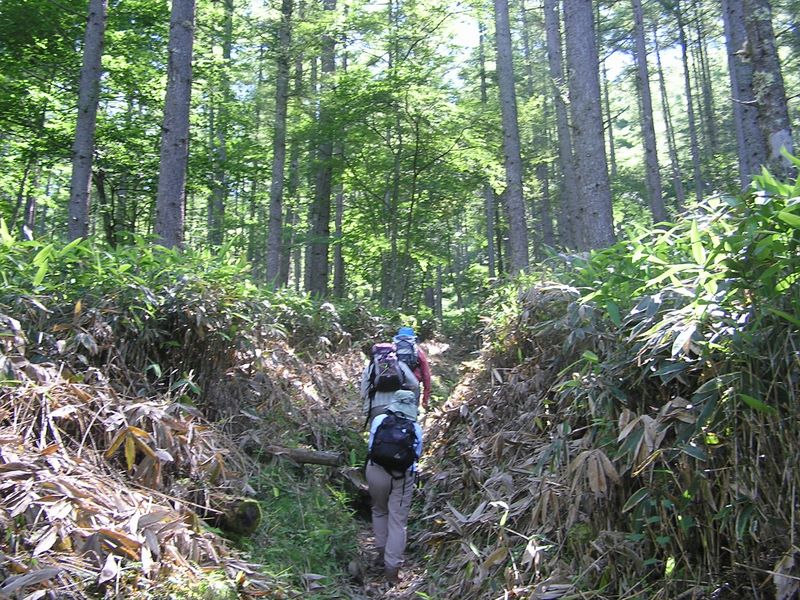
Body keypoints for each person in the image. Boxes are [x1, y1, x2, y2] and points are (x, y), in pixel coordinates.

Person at [366, 389, 424, 584]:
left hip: (376, 471)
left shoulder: (379, 420)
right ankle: (392, 570)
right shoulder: (415, 427)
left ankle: (381, 553)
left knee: (379, 510)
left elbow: (371, 447)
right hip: (403, 477)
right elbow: (416, 455)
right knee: (398, 521)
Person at [360, 345, 419, 425]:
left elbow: (364, 394)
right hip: (398, 408)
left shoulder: (370, 368)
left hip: (377, 408)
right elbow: (415, 384)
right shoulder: (400, 365)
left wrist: (366, 409)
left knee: (377, 434)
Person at [393, 326, 432, 410]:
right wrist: (425, 398)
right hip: (413, 386)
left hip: (396, 386)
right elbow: (426, 375)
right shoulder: (417, 351)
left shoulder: (392, 350)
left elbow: (385, 367)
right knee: (412, 412)